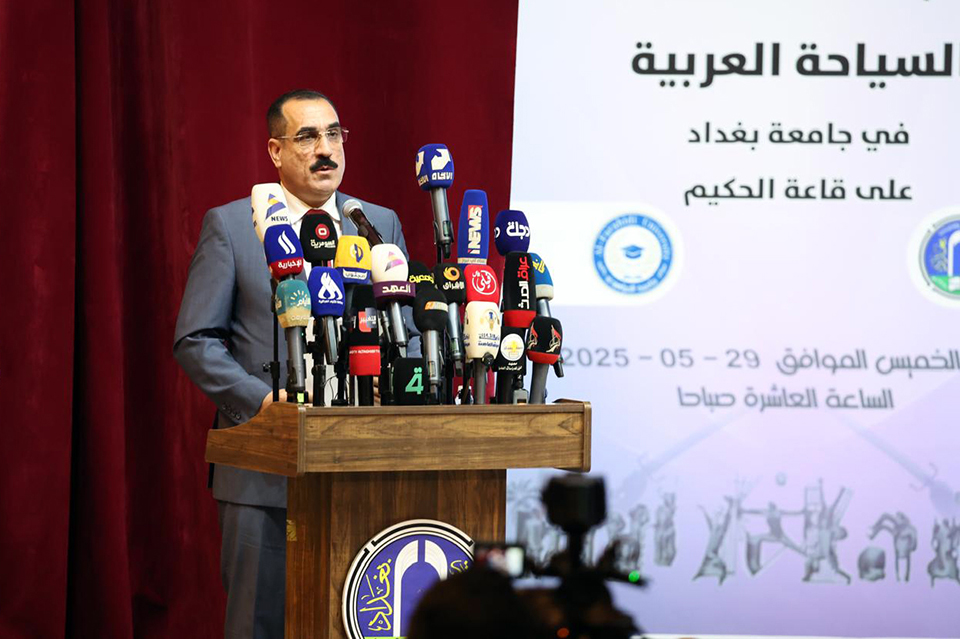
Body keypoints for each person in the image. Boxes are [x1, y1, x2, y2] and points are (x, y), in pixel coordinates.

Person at [174, 89, 416, 639]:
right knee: (259, 625)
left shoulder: (375, 224)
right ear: (276, 151)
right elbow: (196, 340)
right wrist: (262, 404)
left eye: (334, 134)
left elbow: (400, 327)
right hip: (263, 471)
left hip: (362, 468)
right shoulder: (232, 226)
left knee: (357, 623)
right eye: (307, 137)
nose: (325, 149)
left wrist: (396, 382)